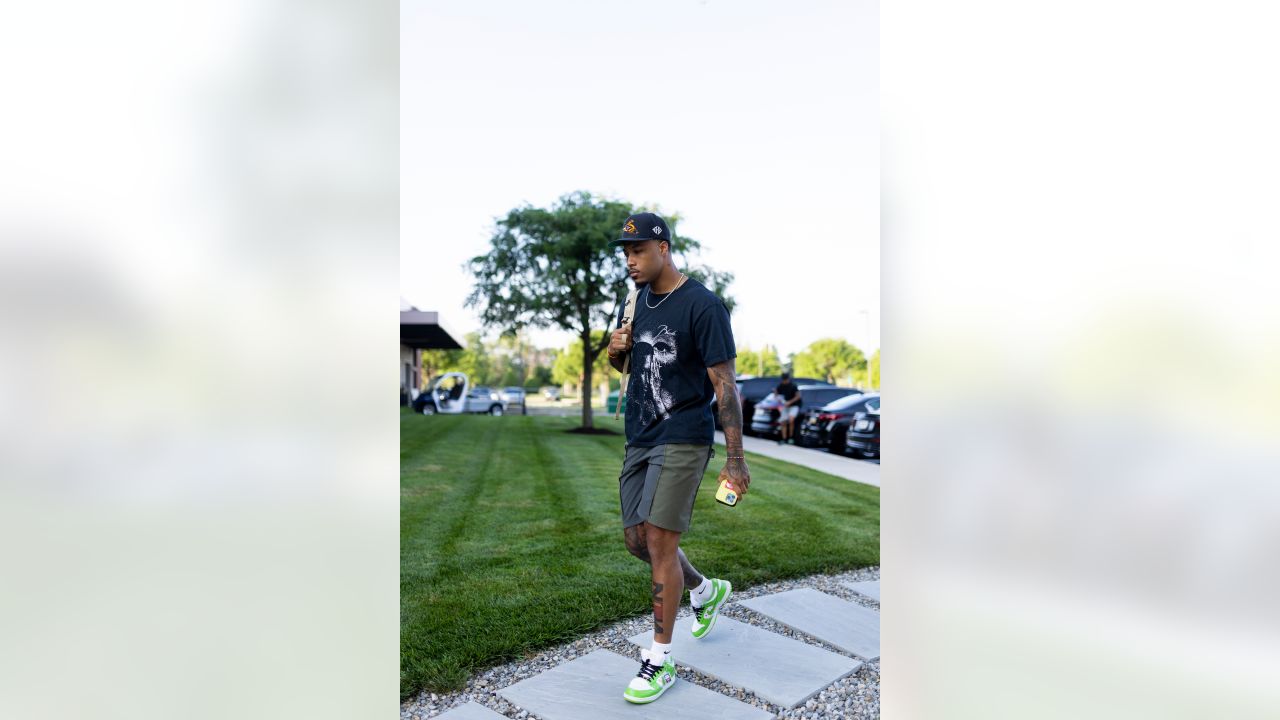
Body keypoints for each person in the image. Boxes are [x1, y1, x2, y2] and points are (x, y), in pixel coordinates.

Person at [606, 211, 751, 705]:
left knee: (661, 544)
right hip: (640, 436)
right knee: (637, 541)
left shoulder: (703, 305)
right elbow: (627, 362)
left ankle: (660, 660)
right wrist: (613, 350)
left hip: (684, 435)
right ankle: (706, 591)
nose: (631, 260)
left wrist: (735, 458)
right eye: (626, 253)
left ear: (664, 248)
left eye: (639, 251)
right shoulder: (634, 303)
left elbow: (724, 384)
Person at [775, 371, 800, 445]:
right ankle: (784, 438)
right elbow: (776, 393)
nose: (784, 381)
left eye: (785, 379)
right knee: (783, 422)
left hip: (794, 405)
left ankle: (791, 437)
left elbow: (798, 396)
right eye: (783, 379)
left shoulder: (793, 386)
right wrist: (777, 397)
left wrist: (790, 402)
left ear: (788, 379)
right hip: (785, 406)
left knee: (791, 420)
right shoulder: (781, 385)